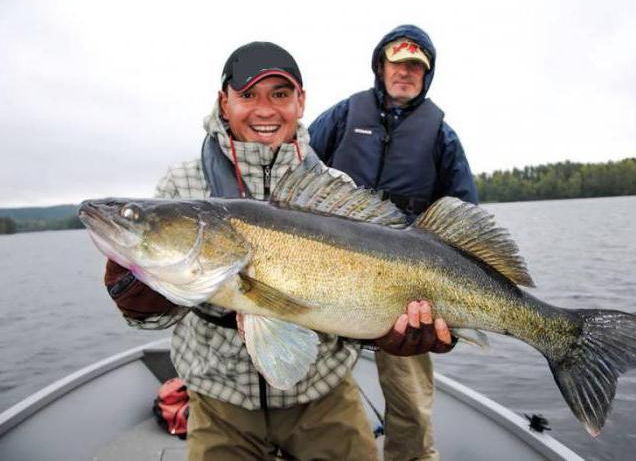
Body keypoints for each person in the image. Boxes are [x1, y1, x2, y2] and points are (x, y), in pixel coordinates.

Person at [103, 41, 453, 461]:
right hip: (218, 399)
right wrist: (139, 302)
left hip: (322, 392)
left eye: (280, 95)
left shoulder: (333, 185)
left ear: (300, 102)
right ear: (224, 101)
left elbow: (364, 302)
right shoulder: (182, 185)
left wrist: (388, 335)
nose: (265, 110)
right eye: (248, 95)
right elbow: (156, 315)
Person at [309, 24, 479, 461]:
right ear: (379, 67)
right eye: (396, 63)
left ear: (427, 76)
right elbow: (299, 169)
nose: (404, 73)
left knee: (411, 408)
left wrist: (455, 313)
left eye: (415, 68)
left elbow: (465, 218)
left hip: (408, 290)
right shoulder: (343, 116)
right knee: (306, 389)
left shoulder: (442, 135)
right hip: (326, 276)